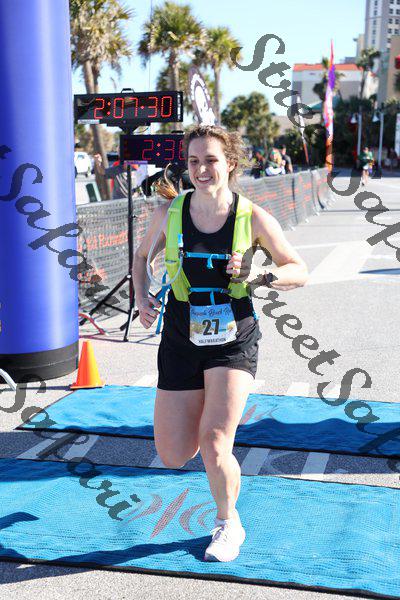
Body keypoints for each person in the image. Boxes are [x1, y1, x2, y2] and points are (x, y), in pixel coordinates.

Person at [133, 125, 308, 563]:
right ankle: (208, 447)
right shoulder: (170, 212)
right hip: (180, 333)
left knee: (214, 442)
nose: (201, 170)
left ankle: (229, 522)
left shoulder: (252, 217)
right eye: (193, 161)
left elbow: (298, 269)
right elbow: (140, 256)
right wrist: (141, 296)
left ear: (230, 163)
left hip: (233, 335)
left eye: (210, 160)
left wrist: (259, 274)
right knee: (173, 454)